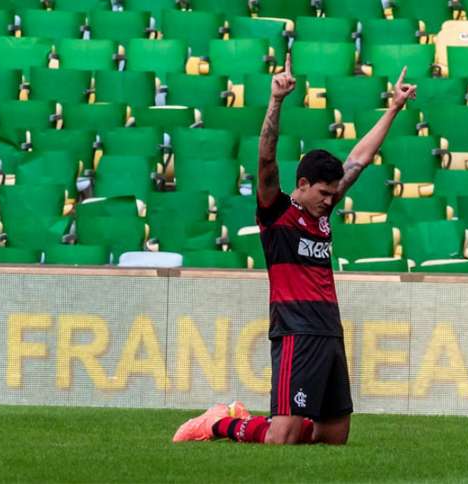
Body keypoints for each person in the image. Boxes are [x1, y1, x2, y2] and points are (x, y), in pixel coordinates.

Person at [173, 55, 417, 445]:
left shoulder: (323, 212)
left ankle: (262, 421)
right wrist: (277, 100)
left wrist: (393, 108)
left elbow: (360, 158)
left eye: (333, 194)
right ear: (302, 183)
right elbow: (266, 159)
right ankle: (219, 423)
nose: (329, 201)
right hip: (295, 331)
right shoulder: (278, 212)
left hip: (328, 330)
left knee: (333, 436)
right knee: (281, 438)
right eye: (323, 193)